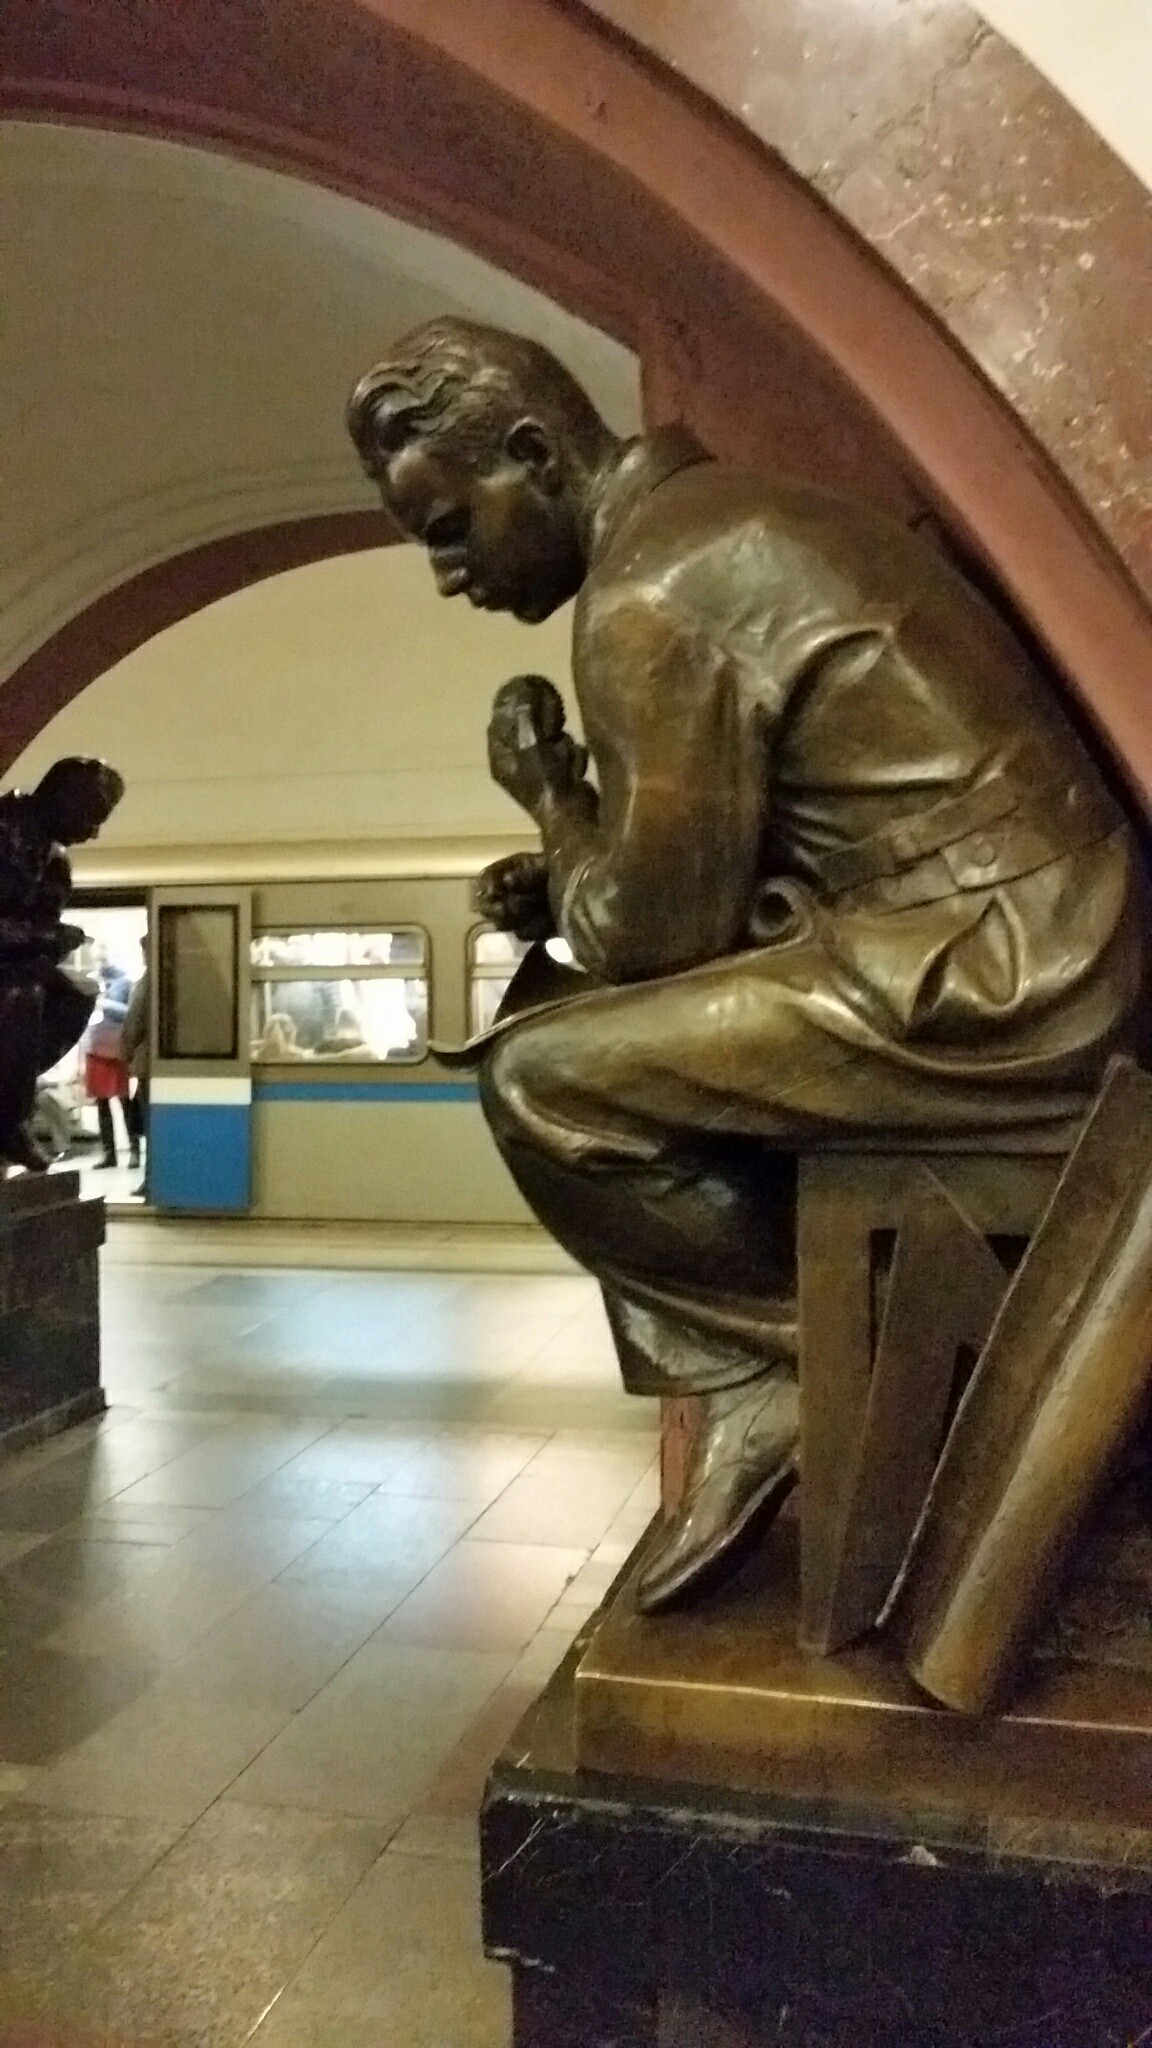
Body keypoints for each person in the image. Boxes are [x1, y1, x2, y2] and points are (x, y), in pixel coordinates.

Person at [348, 319, 1150, 1611]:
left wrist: (552, 799)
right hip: (1034, 927)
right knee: (576, 1030)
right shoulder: (725, 523)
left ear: (535, 452)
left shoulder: (651, 594)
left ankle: (792, 1376)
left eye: (448, 526)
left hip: (999, 972)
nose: (449, 573)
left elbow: (652, 938)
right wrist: (573, 867)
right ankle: (813, 1373)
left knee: (544, 1076)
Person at [0, 757, 125, 1171]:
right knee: (23, 992)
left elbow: (36, 930)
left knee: (76, 992)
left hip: (12, 963)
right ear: (64, 797)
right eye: (92, 816)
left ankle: (11, 1101)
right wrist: (48, 939)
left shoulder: (55, 860)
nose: (93, 832)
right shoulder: (6, 830)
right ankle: (11, 1122)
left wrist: (50, 941)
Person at [83, 957, 141, 1170]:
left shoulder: (124, 982)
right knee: (102, 1104)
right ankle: (109, 1154)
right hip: (95, 1046)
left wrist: (106, 1003)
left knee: (125, 1102)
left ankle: (134, 1151)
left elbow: (130, 1013)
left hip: (116, 1048)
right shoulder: (92, 981)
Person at [120, 935, 150, 1197]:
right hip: (161, 1065)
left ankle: (151, 1179)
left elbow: (133, 1024)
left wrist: (127, 1056)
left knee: (150, 1126)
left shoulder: (145, 984)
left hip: (148, 1065)